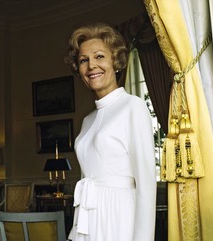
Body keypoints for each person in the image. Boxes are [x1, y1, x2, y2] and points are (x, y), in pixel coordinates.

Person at [65, 22, 156, 241]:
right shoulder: (87, 121)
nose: (91, 66)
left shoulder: (132, 107)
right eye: (84, 60)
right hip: (88, 222)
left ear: (115, 61)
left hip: (119, 218)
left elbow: (146, 186)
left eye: (99, 57)